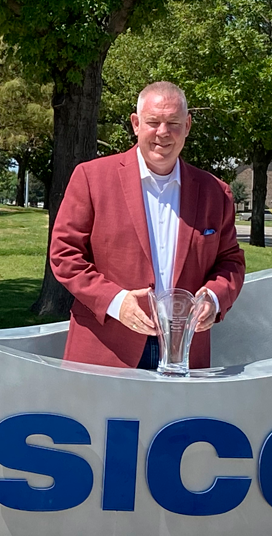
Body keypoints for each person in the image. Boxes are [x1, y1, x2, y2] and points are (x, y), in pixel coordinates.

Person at [49, 81, 245, 370]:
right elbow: (65, 255)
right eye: (153, 122)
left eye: (173, 123)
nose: (163, 133)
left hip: (183, 354)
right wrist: (116, 302)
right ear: (136, 124)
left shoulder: (216, 192)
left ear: (188, 125)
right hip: (106, 349)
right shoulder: (91, 178)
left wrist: (214, 298)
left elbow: (231, 262)